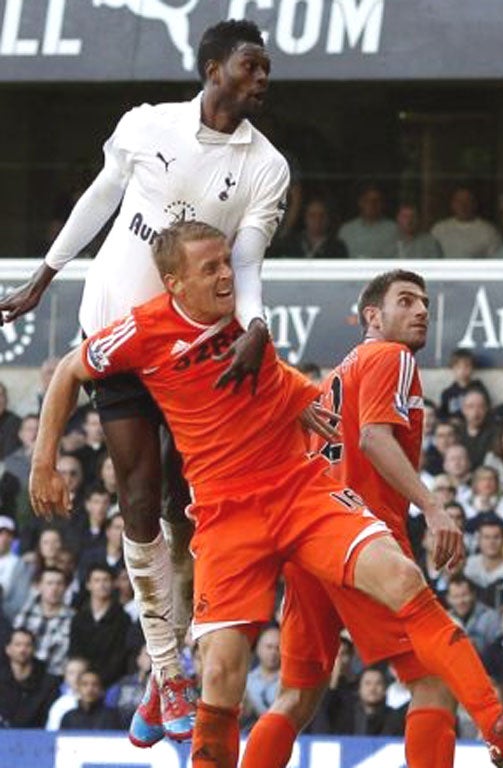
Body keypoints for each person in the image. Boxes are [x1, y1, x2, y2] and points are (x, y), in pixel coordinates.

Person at [29, 225, 503, 768]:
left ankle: (497, 723)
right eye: (209, 268)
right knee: (223, 673)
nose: (226, 274)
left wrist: (299, 395)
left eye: (227, 263)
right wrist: (44, 462)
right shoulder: (144, 330)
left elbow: (272, 371)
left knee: (389, 593)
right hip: (225, 511)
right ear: (174, 282)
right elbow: (70, 369)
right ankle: (167, 683)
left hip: (299, 490)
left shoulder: (248, 314)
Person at [0, 19, 293, 744]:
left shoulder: (267, 167)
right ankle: (169, 672)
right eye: (251, 66)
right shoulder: (147, 125)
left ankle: (174, 664)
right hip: (118, 330)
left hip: (197, 347)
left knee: (184, 506)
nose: (262, 80)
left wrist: (254, 325)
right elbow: (102, 195)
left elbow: (247, 260)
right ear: (213, 67)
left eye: (265, 69)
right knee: (137, 498)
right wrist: (48, 270)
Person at [248, 267, 503, 768]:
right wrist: (434, 507)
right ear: (373, 315)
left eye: (424, 303)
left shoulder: (333, 378)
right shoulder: (392, 356)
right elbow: (373, 437)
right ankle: (495, 723)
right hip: (359, 535)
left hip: (308, 540)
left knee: (297, 697)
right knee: (431, 683)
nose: (421, 311)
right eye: (406, 301)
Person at [69, 564, 133, 689]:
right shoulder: (79, 618)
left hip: (112, 682)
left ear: (113, 584)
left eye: (106, 580)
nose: (101, 585)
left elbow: (120, 657)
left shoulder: (123, 619)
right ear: (88, 585)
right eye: (97, 580)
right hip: (81, 681)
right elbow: (75, 652)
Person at [0, 628, 60, 728]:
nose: (22, 650)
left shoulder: (48, 683)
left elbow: (50, 718)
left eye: (27, 645)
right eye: (18, 645)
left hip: (38, 737)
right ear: (8, 649)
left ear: (34, 649)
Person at [431, 186, 501, 258]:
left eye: (468, 201)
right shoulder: (439, 229)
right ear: (452, 204)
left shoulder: (488, 231)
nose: (463, 205)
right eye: (459, 201)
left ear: (475, 204)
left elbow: (495, 261)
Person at [272, 197, 347, 259]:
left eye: (322, 216)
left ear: (328, 218)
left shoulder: (337, 248)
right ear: (305, 218)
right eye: (312, 215)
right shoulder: (291, 244)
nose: (317, 220)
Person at [338, 184, 399, 259]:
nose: (372, 204)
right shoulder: (347, 230)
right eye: (367, 200)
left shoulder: (394, 229)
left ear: (382, 204)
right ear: (360, 203)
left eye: (376, 201)